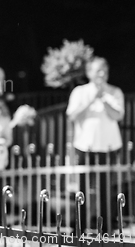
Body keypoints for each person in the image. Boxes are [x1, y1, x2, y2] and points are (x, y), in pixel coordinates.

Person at [66, 57, 124, 231]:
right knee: (82, 188)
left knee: (107, 188)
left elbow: (118, 116)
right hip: (85, 146)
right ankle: (80, 227)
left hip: (108, 147)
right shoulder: (79, 92)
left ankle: (106, 228)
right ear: (89, 72)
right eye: (99, 70)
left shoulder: (115, 91)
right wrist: (91, 100)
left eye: (105, 69)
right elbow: (72, 115)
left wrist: (104, 100)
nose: (103, 73)